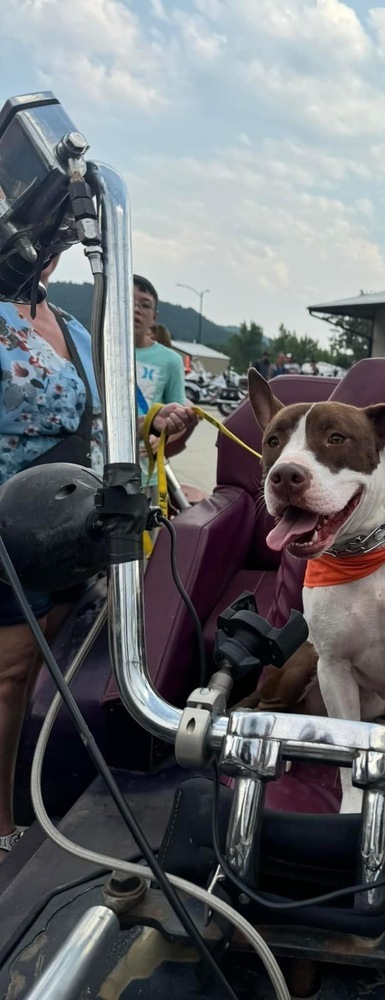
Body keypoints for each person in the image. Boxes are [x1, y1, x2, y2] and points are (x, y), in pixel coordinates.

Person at [0, 262, 188, 853]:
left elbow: (113, 425)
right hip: (7, 530)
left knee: (27, 680)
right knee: (6, 680)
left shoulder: (75, 329)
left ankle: (7, 808)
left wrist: (156, 427)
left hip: (64, 539)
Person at [133, 275, 196, 489]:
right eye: (128, 301)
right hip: (95, 468)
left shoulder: (170, 361)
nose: (136, 310)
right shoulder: (92, 348)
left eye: (145, 305)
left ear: (154, 317)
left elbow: (179, 418)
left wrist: (162, 441)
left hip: (144, 472)